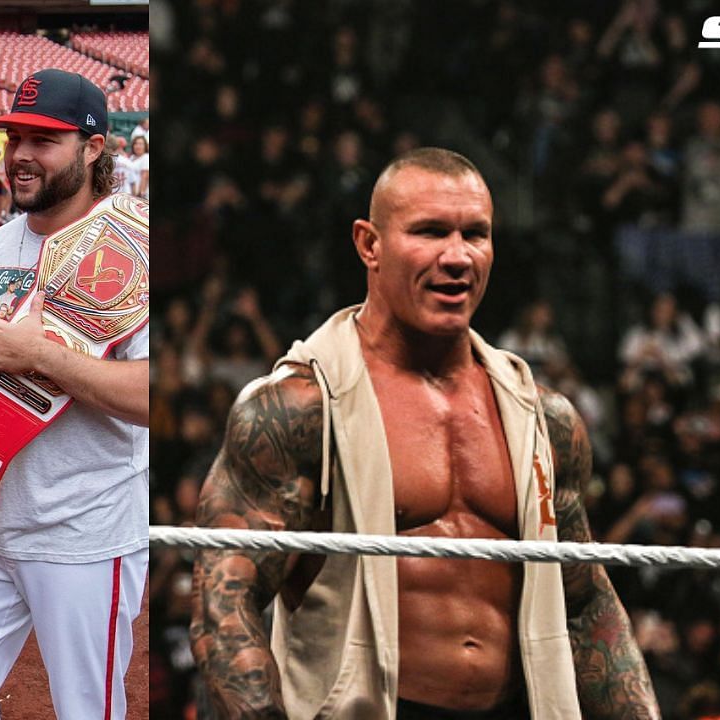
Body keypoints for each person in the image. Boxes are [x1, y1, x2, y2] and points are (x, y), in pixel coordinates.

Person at [189, 148, 658, 719]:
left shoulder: (544, 417)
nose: (458, 257)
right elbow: (226, 606)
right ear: (369, 244)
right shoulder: (297, 411)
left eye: (475, 235)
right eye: (431, 232)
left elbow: (586, 605)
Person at [0, 68, 149, 719]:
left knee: (86, 708)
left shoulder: (140, 251)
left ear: (94, 148)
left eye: (44, 140)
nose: (20, 154)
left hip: (85, 529)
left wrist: (42, 355)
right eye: (15, 136)